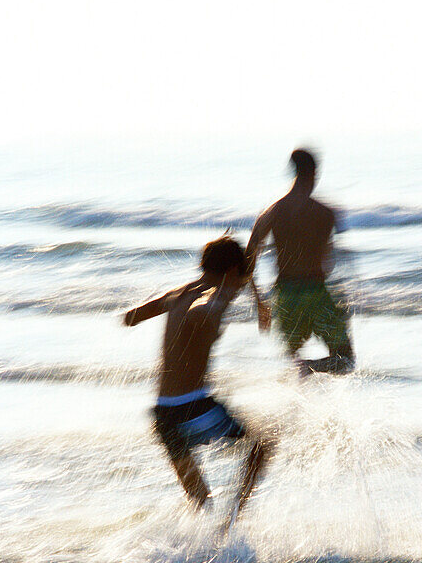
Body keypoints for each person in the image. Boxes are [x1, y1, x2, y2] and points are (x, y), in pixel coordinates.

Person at [123, 236, 270, 528]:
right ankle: (234, 518)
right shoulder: (214, 300)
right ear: (230, 271)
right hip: (193, 408)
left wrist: (257, 299)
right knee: (262, 447)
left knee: (201, 504)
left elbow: (131, 318)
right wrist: (207, 317)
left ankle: (201, 552)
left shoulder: (177, 294)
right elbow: (205, 308)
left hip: (163, 414)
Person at [245, 148, 355, 375]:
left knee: (294, 362)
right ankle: (310, 368)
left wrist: (260, 304)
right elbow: (337, 262)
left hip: (285, 296)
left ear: (293, 171)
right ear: (315, 172)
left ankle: (300, 381)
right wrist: (343, 300)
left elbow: (248, 261)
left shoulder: (272, 211)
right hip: (316, 292)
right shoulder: (326, 213)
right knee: (345, 361)